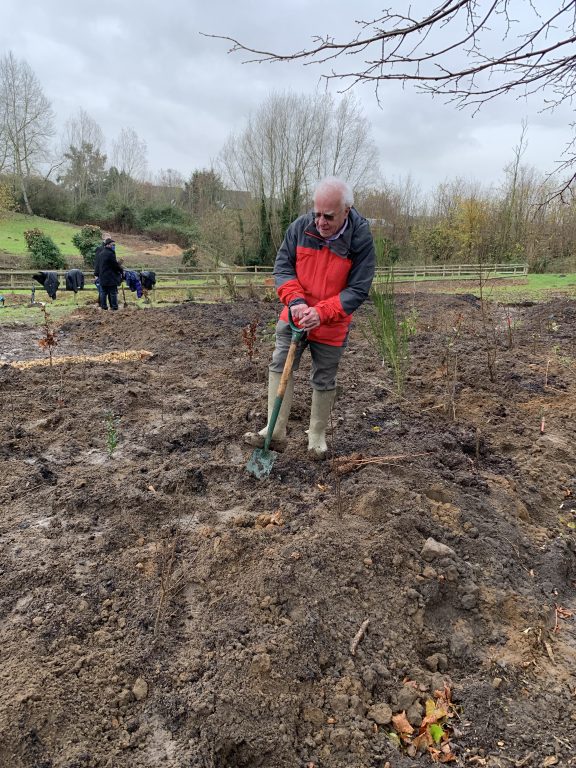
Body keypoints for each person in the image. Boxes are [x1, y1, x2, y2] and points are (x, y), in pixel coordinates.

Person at [245, 176, 375, 460]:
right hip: (295, 314)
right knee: (280, 364)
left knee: (324, 377)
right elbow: (283, 268)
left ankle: (316, 435)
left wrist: (322, 312)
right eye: (316, 214)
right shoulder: (299, 228)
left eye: (328, 216)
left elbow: (358, 289)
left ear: (346, 210)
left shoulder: (360, 240)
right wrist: (296, 301)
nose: (320, 222)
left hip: (332, 321)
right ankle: (275, 430)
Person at [94, 238, 123, 310]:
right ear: (108, 245)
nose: (113, 246)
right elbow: (115, 265)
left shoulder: (100, 254)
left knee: (103, 292)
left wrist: (96, 274)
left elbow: (97, 265)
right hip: (111, 276)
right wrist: (121, 270)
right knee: (113, 292)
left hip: (102, 276)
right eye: (112, 245)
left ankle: (104, 307)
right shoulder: (111, 254)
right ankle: (114, 307)